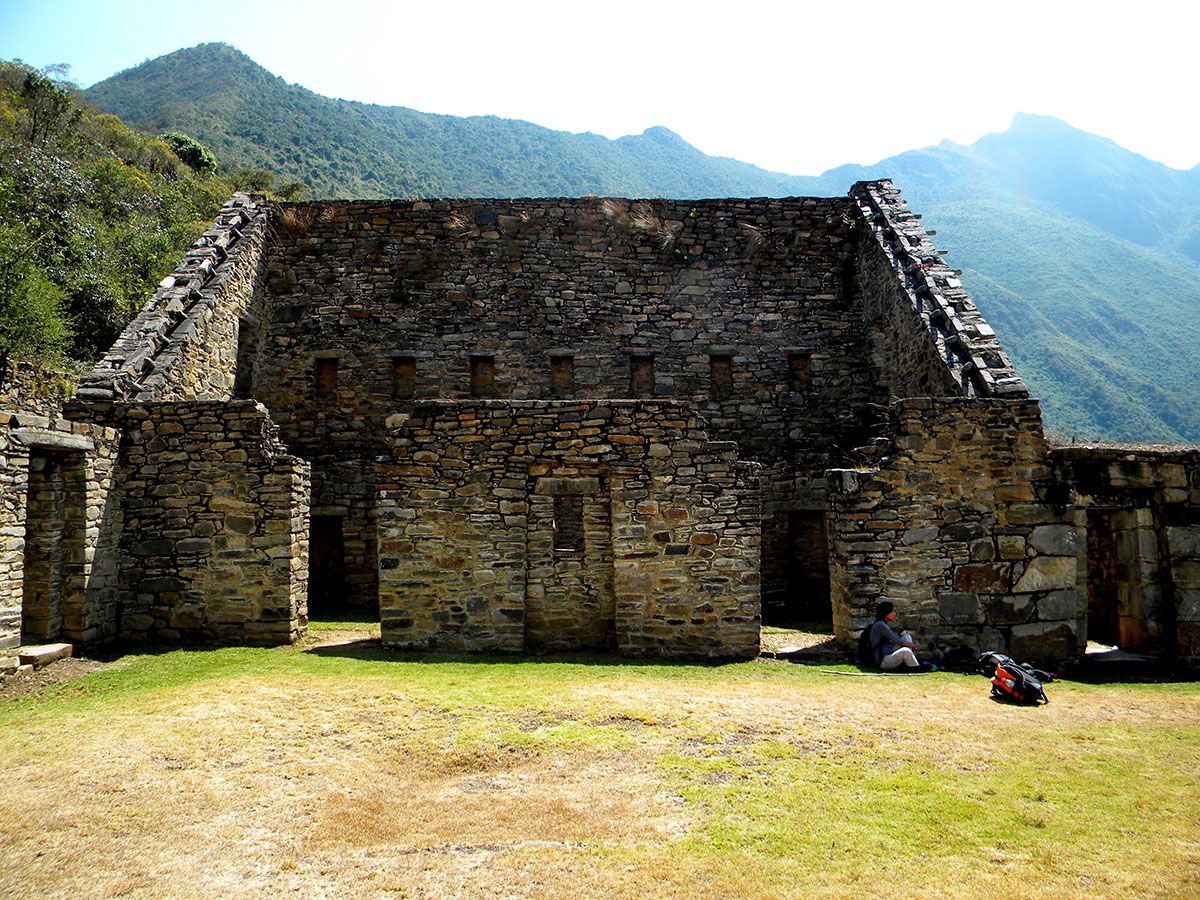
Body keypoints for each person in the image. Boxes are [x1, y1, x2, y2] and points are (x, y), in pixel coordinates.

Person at [867, 601, 936, 671]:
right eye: (892, 612)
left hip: (889, 652)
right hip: (883, 660)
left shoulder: (883, 624)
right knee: (905, 651)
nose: (894, 614)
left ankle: (915, 662)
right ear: (886, 614)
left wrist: (910, 645)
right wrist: (912, 646)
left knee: (907, 637)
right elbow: (896, 640)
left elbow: (898, 637)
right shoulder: (880, 625)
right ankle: (917, 667)